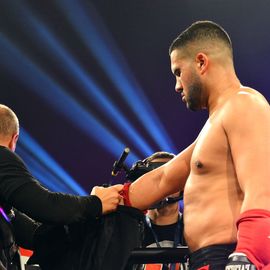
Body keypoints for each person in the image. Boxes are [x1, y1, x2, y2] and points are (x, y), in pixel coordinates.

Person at [120, 21, 270, 270]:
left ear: (201, 62)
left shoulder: (245, 105)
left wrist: (248, 255)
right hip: (207, 259)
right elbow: (164, 179)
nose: (177, 85)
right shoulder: (215, 124)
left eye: (178, 71)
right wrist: (107, 201)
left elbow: (263, 188)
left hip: (230, 257)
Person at [0, 104, 123, 269]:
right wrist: (96, 203)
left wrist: (83, 223)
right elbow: (46, 206)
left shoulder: (4, 208)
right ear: (14, 139)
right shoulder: (2, 157)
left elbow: (34, 236)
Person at [128, 151, 185, 270]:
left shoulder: (197, 230)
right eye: (155, 180)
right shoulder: (129, 231)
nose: (162, 186)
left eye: (169, 179)